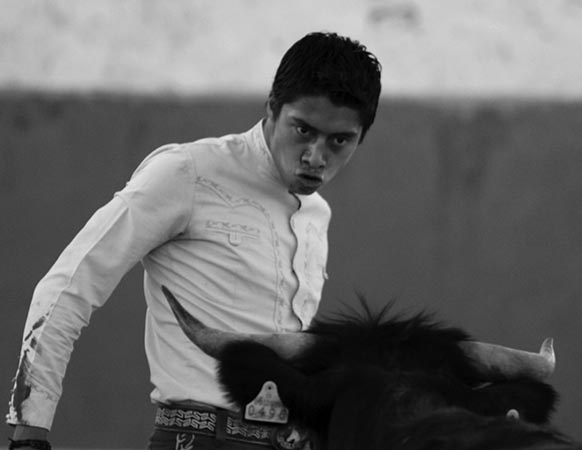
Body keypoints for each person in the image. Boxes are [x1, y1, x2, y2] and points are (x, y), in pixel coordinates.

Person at [7, 32, 382, 450]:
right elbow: (66, 289)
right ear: (272, 108)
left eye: (339, 140)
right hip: (197, 438)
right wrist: (29, 433)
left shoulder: (316, 213)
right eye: (303, 130)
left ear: (360, 137)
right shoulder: (188, 173)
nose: (316, 156)